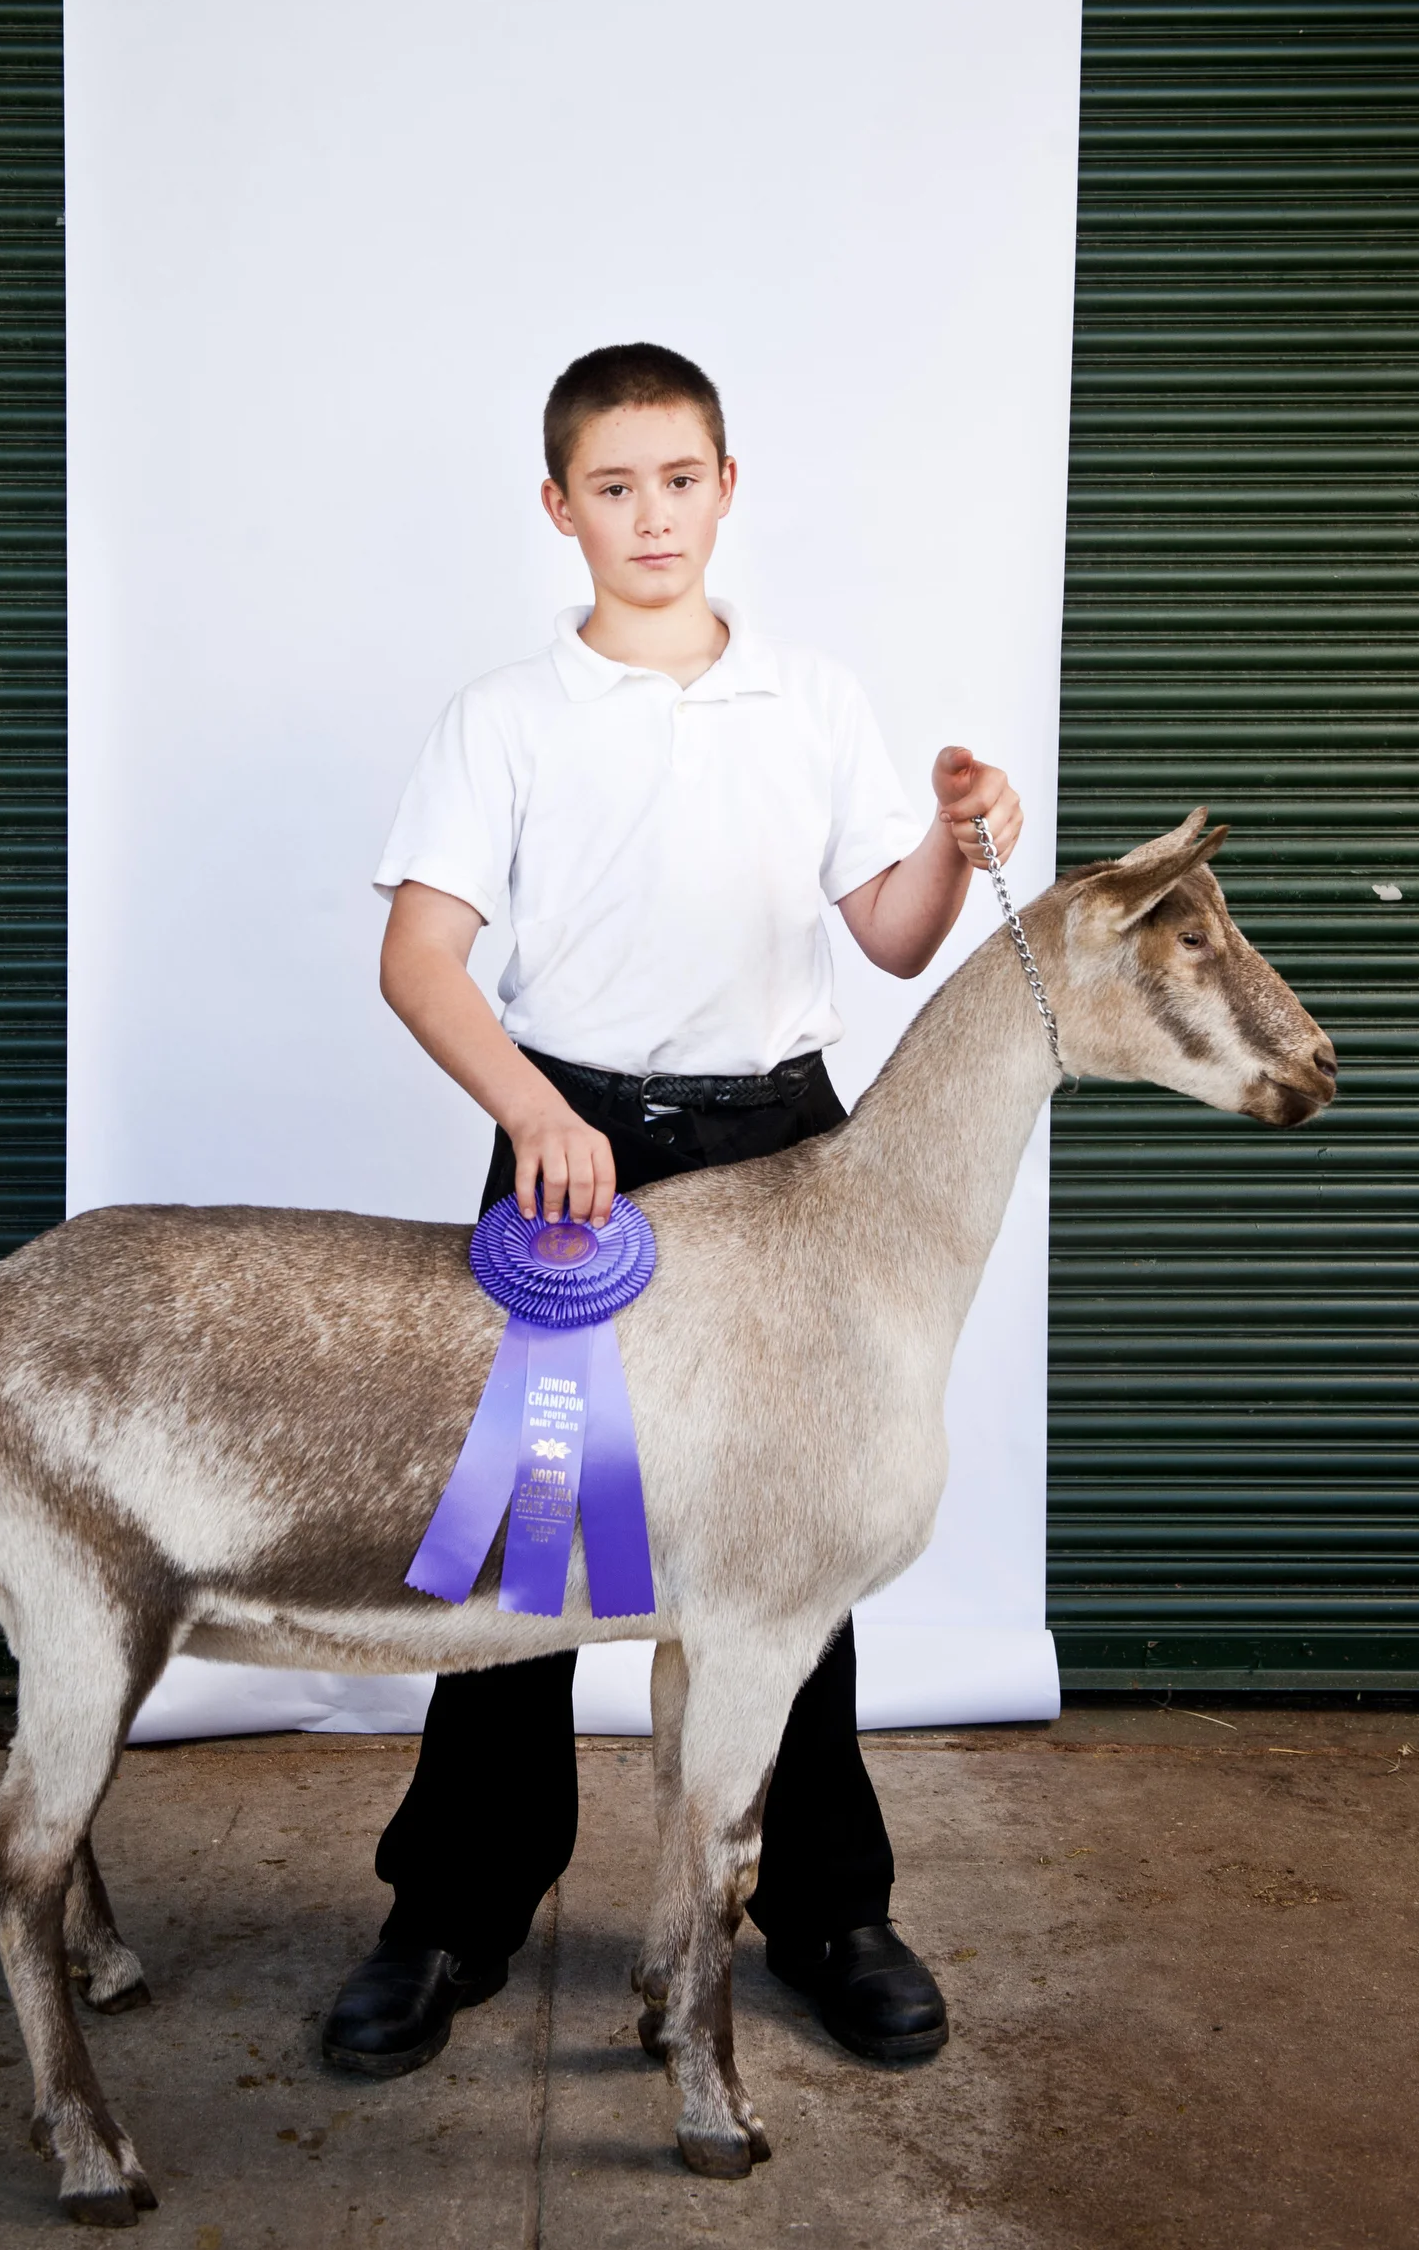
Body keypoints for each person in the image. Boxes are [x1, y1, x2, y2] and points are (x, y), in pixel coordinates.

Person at [322, 342, 1023, 2080]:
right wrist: (536, 1112)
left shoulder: (810, 699)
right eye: (614, 487)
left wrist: (954, 833)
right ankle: (452, 1911)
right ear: (558, 509)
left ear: (728, 488)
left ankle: (825, 1907)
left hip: (790, 1154)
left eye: (681, 479)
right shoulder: (503, 716)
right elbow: (420, 962)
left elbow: (891, 935)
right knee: (530, 1537)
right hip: (577, 1161)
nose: (652, 515)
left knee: (799, 1550)